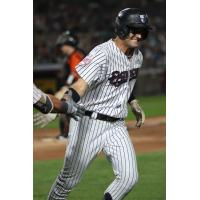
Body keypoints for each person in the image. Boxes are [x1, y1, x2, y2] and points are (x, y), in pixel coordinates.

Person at [47, 8, 150, 200]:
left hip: (117, 125)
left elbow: (123, 82)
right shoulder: (102, 53)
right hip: (88, 122)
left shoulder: (138, 56)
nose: (139, 35)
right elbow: (81, 84)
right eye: (134, 29)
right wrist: (63, 104)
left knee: (129, 178)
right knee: (67, 182)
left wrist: (133, 102)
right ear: (121, 29)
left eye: (143, 31)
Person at [56, 30, 86, 139]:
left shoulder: (75, 55)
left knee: (64, 106)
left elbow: (75, 73)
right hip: (81, 87)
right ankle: (67, 134)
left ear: (69, 44)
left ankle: (66, 134)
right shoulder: (74, 55)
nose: (61, 48)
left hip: (82, 88)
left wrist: (66, 87)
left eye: (63, 45)